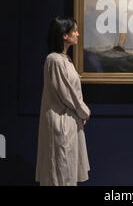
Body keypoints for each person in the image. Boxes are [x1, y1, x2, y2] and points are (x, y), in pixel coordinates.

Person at [36, 17, 91, 186]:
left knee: (66, 171)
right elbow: (67, 93)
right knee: (60, 171)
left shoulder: (65, 59)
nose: (78, 33)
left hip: (69, 120)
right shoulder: (54, 60)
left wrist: (80, 113)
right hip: (60, 122)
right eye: (74, 30)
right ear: (64, 35)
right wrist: (84, 111)